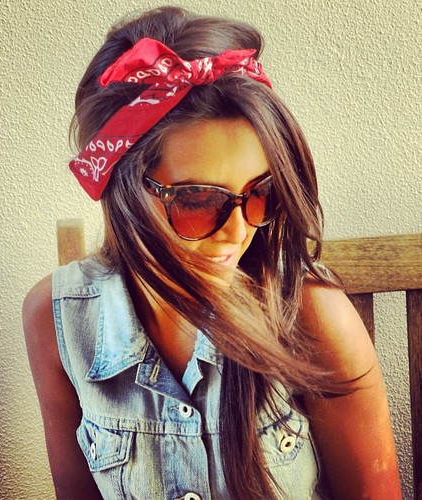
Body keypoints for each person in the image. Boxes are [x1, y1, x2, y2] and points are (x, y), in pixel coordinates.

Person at [23, 6, 402, 499]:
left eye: (263, 192)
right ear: (121, 190)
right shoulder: (57, 321)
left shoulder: (311, 316)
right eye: (198, 200)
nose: (238, 232)